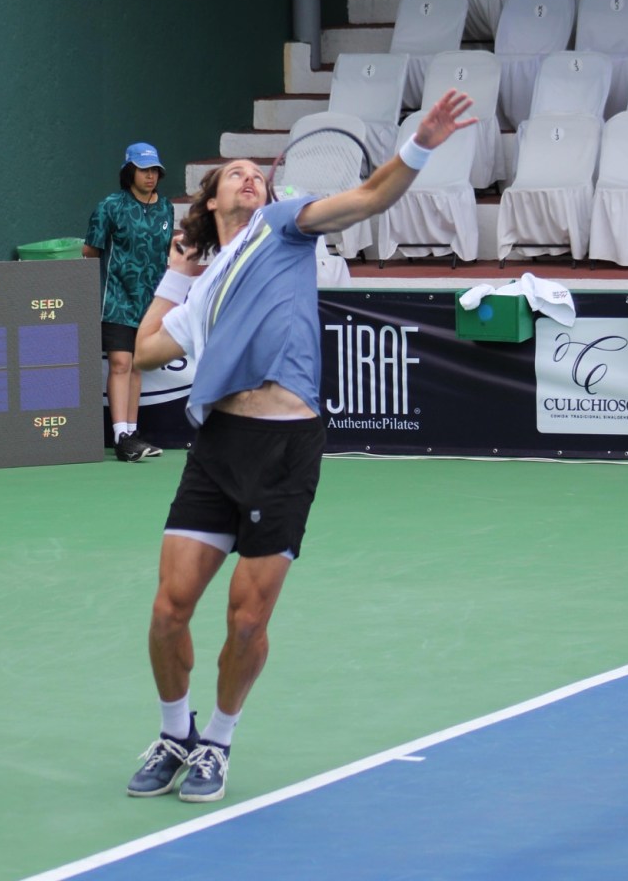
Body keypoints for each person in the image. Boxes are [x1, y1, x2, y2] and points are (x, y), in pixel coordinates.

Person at [125, 90, 475, 804]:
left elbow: (369, 198)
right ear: (211, 200)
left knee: (247, 620)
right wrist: (178, 269)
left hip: (284, 447)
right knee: (167, 612)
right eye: (236, 173)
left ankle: (218, 740)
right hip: (218, 446)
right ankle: (173, 732)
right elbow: (146, 347)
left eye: (259, 174)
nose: (251, 178)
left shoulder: (281, 227)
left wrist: (421, 143)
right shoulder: (205, 291)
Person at [83, 141, 174, 463]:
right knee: (121, 364)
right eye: (144, 170)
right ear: (129, 172)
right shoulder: (110, 206)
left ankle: (132, 434)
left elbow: (167, 254)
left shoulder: (166, 208)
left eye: (155, 170)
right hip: (117, 299)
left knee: (137, 366)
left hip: (151, 303)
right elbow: (90, 252)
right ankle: (121, 435)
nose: (151, 176)